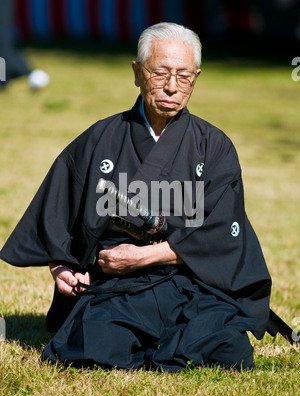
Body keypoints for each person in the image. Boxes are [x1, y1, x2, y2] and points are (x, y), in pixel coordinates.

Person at [0, 23, 272, 371]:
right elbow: (58, 213)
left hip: (190, 281)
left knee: (227, 350)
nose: (172, 87)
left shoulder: (214, 146)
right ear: (136, 73)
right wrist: (62, 266)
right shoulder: (101, 138)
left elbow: (221, 236)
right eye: (159, 72)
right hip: (119, 284)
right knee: (90, 348)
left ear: (196, 77)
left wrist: (143, 257)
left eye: (184, 76)